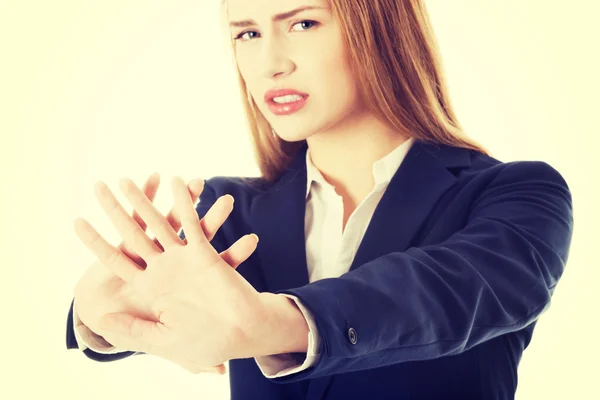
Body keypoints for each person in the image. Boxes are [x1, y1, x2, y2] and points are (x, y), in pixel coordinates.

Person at [65, 0, 574, 399]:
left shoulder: (518, 195)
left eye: (303, 24)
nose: (269, 64)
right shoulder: (225, 212)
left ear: (379, 26)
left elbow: (447, 294)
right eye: (247, 33)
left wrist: (276, 323)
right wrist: (100, 316)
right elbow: (147, 302)